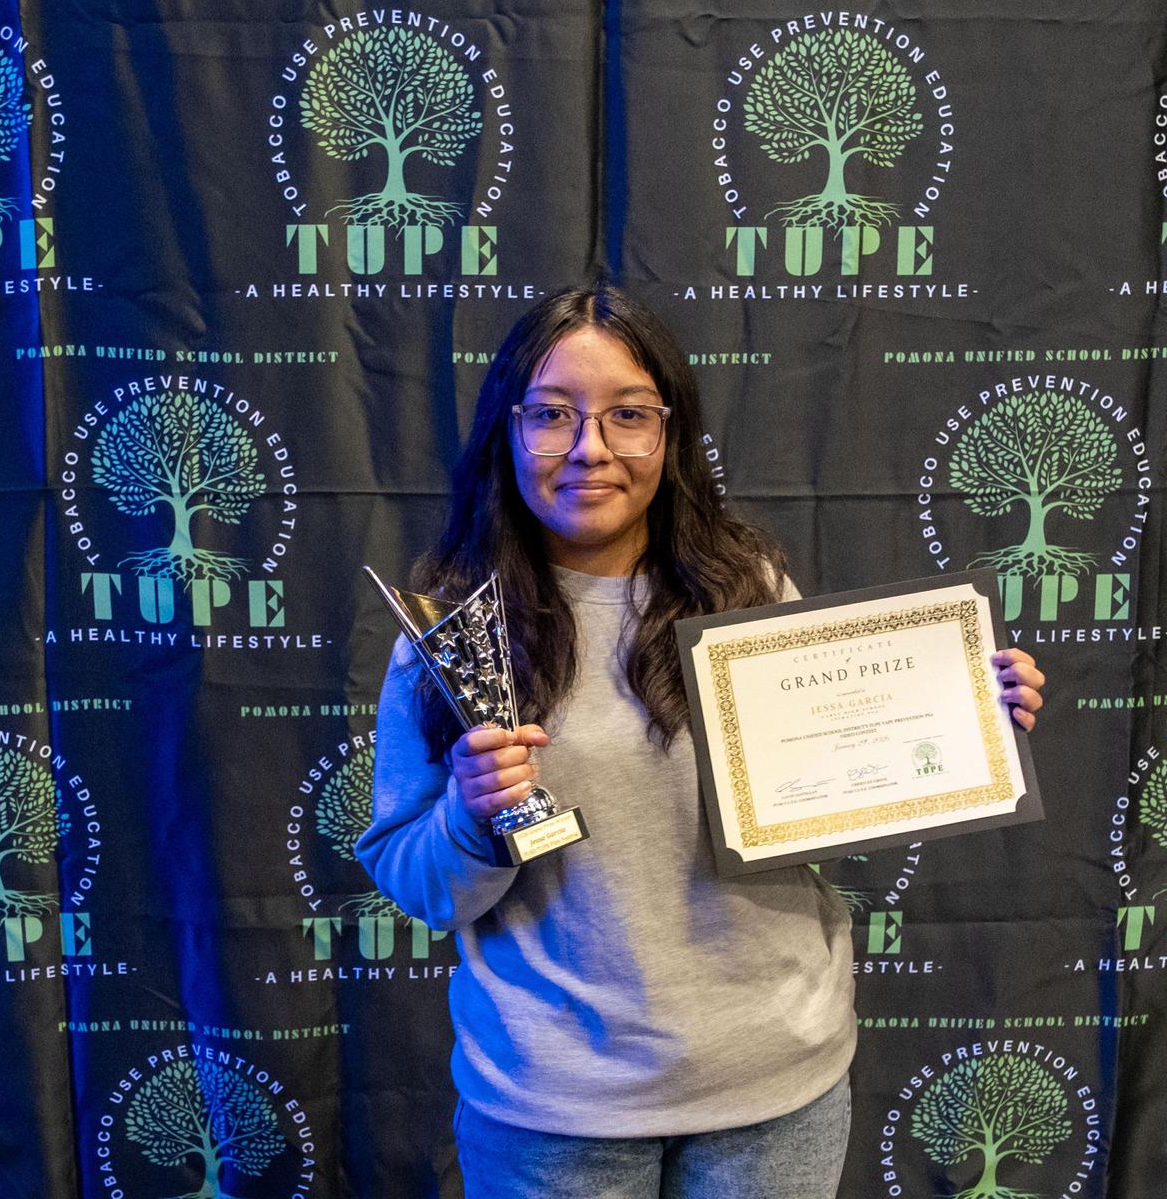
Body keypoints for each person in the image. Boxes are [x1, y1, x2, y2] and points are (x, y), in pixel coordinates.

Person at [356, 285, 1045, 1199]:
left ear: (671, 435)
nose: (591, 449)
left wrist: (965, 715)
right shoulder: (450, 634)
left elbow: (843, 780)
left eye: (629, 416)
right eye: (552, 415)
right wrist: (471, 817)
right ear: (507, 431)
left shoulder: (748, 588)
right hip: (557, 1110)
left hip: (773, 1087)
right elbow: (416, 882)